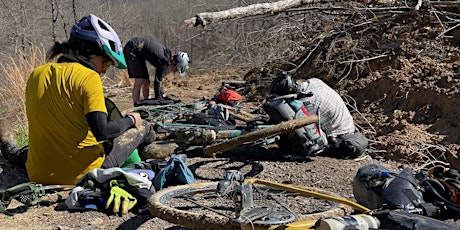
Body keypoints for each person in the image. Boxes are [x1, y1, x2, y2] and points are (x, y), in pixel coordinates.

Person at [0, 14, 156, 185]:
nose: (104, 71)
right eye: (105, 63)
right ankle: (149, 150)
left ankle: (11, 150)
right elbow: (102, 131)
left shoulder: (36, 74)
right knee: (144, 126)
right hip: (84, 174)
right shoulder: (89, 77)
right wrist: (131, 120)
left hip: (38, 173)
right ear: (90, 52)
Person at [267, 72, 368, 158]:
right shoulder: (315, 81)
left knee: (298, 135)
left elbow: (310, 130)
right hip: (349, 129)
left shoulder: (309, 102)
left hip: (338, 140)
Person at [123, 37, 190, 106]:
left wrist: (161, 95)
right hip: (132, 49)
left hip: (139, 51)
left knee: (146, 82)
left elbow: (159, 81)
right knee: (139, 80)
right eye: (176, 69)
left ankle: (145, 103)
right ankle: (136, 106)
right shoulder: (164, 60)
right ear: (174, 62)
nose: (174, 71)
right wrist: (159, 98)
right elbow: (158, 81)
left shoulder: (167, 56)